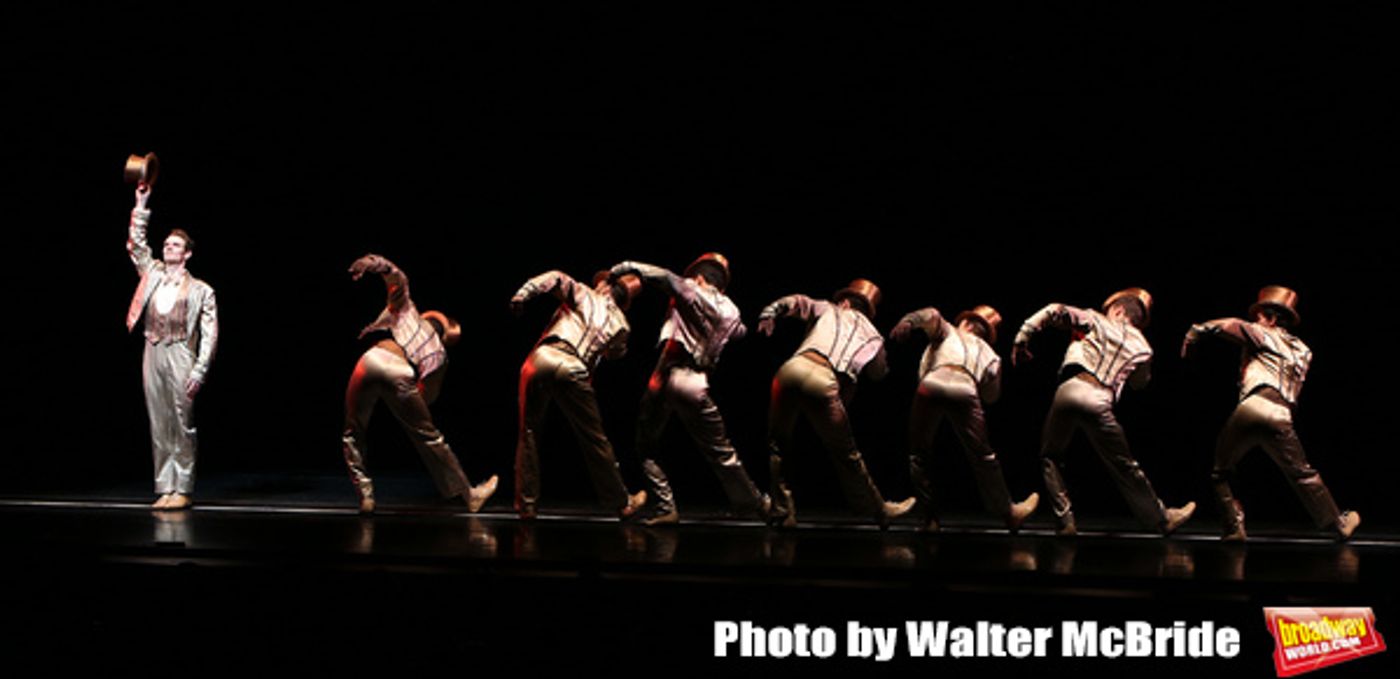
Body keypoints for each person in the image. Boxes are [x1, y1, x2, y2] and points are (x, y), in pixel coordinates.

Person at [1181, 285, 1360, 541]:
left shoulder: (1264, 334)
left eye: (1261, 316)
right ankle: (1338, 524)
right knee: (1302, 473)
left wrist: (1197, 331)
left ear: (1273, 318)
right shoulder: (1302, 350)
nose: (1256, 320)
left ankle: (1234, 526)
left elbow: (1232, 325)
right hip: (1281, 415)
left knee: (1220, 471)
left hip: (1253, 406)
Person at [1012, 288, 1195, 536]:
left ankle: (1065, 522)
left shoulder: (1095, 318)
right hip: (1101, 399)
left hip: (1070, 388)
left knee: (1051, 456)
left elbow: (1055, 309)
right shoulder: (1144, 346)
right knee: (1124, 464)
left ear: (1118, 310)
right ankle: (1161, 519)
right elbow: (1140, 384)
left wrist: (1023, 336)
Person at [609, 254, 769, 525]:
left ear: (700, 277)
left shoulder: (691, 288)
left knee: (646, 445)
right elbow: (740, 332)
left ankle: (665, 506)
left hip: (667, 374)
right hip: (697, 383)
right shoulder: (732, 310)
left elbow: (664, 276)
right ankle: (757, 504)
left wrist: (625, 267)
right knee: (720, 451)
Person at [342, 253, 497, 514]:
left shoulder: (407, 312)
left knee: (352, 431)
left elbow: (397, 277)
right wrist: (411, 407)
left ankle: (365, 495)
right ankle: (468, 495)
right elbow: (427, 396)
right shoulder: (440, 355)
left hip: (371, 359)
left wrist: (370, 264)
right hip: (401, 372)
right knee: (430, 437)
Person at [757, 279, 915, 528]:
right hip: (823, 380)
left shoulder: (828, 308)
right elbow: (878, 373)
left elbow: (797, 301)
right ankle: (878, 509)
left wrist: (770, 312)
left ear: (844, 301)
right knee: (846, 453)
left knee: (778, 444)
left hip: (790, 370)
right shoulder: (873, 335)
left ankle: (783, 511)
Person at [510, 269, 648, 520]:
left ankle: (527, 506)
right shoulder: (622, 323)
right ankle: (622, 503)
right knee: (594, 438)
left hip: (542, 357)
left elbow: (554, 277)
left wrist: (523, 295)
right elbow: (615, 353)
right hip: (574, 367)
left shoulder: (582, 292)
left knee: (528, 431)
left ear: (604, 286)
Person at [890, 304, 1038, 532]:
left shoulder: (948, 330)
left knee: (919, 452)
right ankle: (1008, 513)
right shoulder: (991, 355)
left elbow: (931, 315)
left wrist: (909, 321)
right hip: (965, 389)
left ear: (966, 323)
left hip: (932, 383)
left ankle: (929, 518)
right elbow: (991, 397)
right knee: (983, 456)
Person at [126, 182, 217, 510]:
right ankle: (165, 486)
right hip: (153, 349)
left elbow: (210, 333)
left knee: (181, 420)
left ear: (187, 252)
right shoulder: (151, 274)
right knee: (158, 418)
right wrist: (142, 205)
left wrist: (200, 369)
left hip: (180, 351)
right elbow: (136, 245)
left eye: (175, 245)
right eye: (166, 244)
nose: (168, 248)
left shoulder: (202, 290)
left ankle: (184, 487)